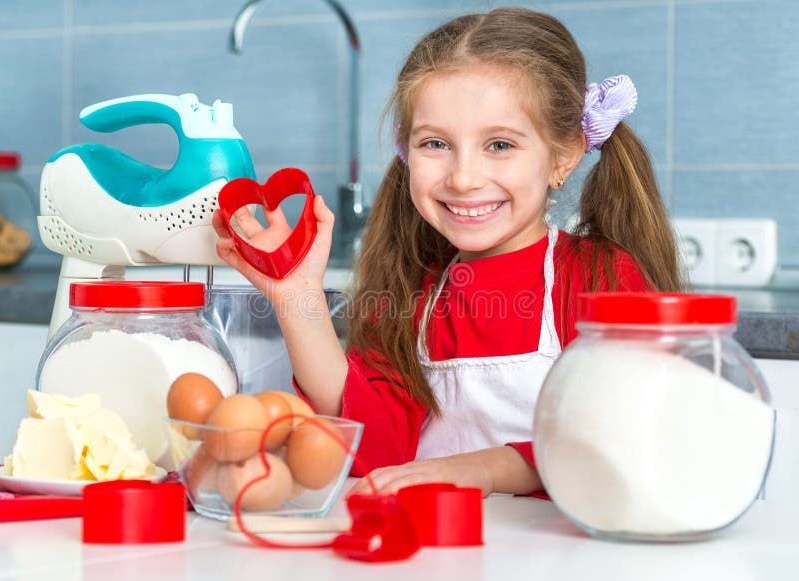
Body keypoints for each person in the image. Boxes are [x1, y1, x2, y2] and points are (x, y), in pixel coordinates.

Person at [212, 7, 682, 497]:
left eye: (499, 145)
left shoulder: (601, 278)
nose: (463, 178)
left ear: (561, 156)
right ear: (406, 151)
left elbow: (622, 439)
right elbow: (376, 450)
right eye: (435, 143)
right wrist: (296, 298)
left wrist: (486, 470)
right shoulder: (410, 291)